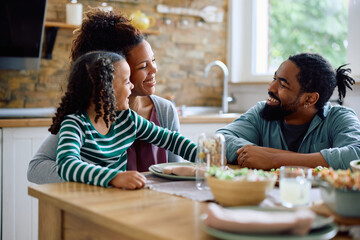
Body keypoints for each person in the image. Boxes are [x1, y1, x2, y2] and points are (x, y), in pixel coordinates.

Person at [27, 9, 181, 184]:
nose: (154, 70)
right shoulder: (88, 117)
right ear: (108, 73)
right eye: (143, 66)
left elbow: (175, 174)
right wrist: (103, 179)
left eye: (153, 61)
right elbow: (37, 168)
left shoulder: (164, 111)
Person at [52, 51, 196, 188]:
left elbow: (171, 140)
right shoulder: (75, 124)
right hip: (84, 200)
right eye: (127, 82)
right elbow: (67, 165)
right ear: (106, 92)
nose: (132, 86)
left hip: (116, 197)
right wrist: (114, 177)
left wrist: (204, 157)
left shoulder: (128, 119)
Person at [216, 53, 360, 170]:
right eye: (274, 79)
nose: (271, 88)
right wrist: (255, 154)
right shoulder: (261, 111)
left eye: (283, 85)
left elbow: (356, 154)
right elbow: (221, 138)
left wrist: (274, 159)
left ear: (309, 99)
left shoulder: (339, 118)